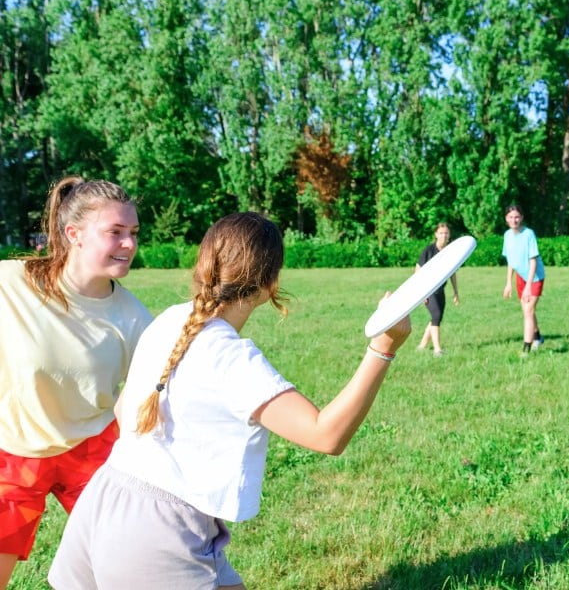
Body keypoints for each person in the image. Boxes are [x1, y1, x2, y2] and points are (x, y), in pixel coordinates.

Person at [49, 212, 411, 589]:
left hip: (105, 497)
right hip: (158, 533)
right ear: (270, 283)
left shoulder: (170, 319)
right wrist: (382, 349)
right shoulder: (233, 359)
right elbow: (326, 435)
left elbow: (125, 411)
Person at [0, 176, 151, 588]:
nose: (129, 244)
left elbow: (154, 396)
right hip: (14, 451)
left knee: (128, 565)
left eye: (133, 233)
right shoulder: (12, 283)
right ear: (74, 234)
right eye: (115, 232)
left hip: (92, 449)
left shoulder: (135, 319)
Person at [502, 204, 545, 356]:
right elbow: (511, 262)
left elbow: (533, 261)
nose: (514, 220)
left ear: (522, 218)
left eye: (517, 217)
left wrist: (528, 286)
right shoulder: (507, 236)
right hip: (521, 276)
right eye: (511, 217)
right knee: (528, 311)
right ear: (506, 219)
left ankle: (526, 349)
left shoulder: (529, 234)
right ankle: (538, 337)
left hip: (535, 277)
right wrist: (508, 283)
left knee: (528, 311)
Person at [416, 223, 460, 356]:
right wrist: (422, 292)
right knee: (435, 316)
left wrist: (456, 292)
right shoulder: (428, 250)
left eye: (446, 233)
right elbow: (418, 270)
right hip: (428, 291)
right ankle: (437, 349)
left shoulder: (450, 251)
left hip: (441, 290)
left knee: (437, 318)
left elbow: (453, 273)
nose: (443, 236)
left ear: (449, 235)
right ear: (436, 234)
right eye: (441, 233)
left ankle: (422, 345)